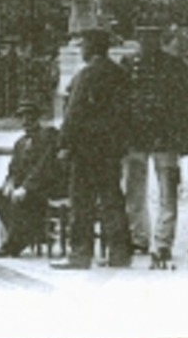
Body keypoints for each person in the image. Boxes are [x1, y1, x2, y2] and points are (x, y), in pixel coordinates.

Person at [51, 28, 132, 270]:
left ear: (92, 47)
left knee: (82, 202)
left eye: (83, 45)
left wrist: (64, 144)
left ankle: (80, 254)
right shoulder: (120, 74)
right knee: (112, 200)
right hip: (110, 149)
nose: (81, 49)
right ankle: (120, 254)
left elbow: (74, 113)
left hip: (86, 150)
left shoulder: (86, 75)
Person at [123, 25, 188, 266]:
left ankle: (163, 243)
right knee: (135, 191)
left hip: (166, 139)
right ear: (138, 38)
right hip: (135, 138)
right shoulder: (128, 63)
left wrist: (186, 138)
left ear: (159, 38)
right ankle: (139, 238)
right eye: (143, 36)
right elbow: (120, 102)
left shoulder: (175, 66)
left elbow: (187, 104)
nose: (147, 41)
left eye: (152, 36)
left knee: (168, 193)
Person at [0, 96, 63, 258]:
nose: (26, 121)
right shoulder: (20, 143)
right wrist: (10, 182)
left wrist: (25, 188)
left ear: (37, 118)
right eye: (22, 117)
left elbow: (44, 167)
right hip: (27, 188)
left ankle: (12, 245)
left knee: (22, 199)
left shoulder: (48, 136)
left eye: (30, 117)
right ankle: (29, 234)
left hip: (48, 186)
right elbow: (14, 168)